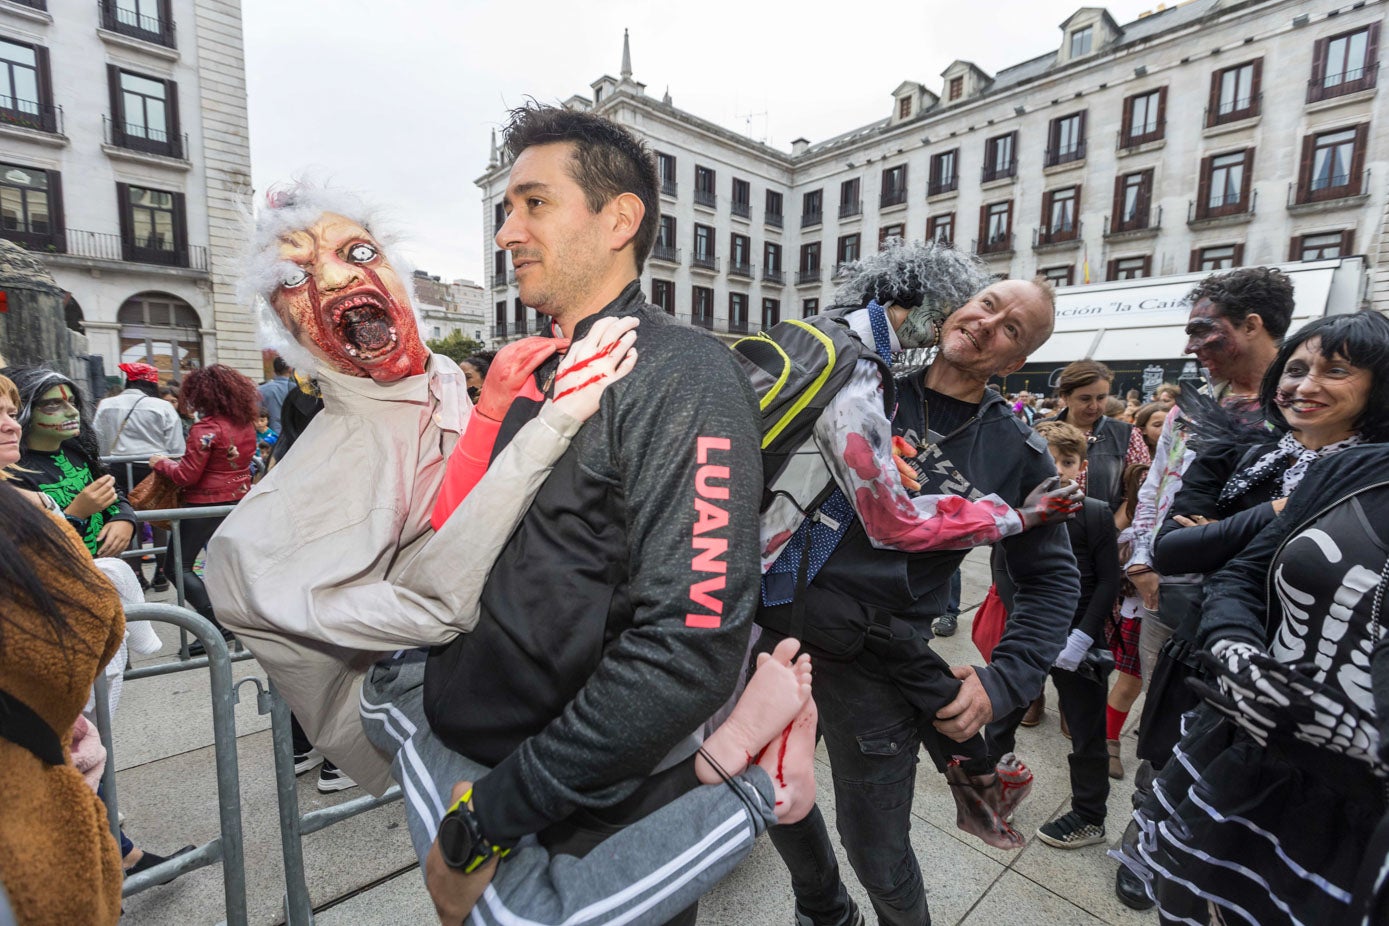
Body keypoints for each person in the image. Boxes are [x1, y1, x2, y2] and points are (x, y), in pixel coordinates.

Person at [207, 177, 819, 926]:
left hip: (524, 682)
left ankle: (742, 779)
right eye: (295, 278)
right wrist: (544, 419)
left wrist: (505, 408)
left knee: (535, 886)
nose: (336, 277)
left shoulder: (451, 386)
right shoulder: (293, 504)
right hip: (416, 692)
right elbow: (434, 601)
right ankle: (749, 785)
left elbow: (482, 516)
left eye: (358, 252)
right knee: (512, 903)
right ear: (285, 330)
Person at [762, 275, 1082, 926]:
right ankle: (824, 908)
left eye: (1010, 329)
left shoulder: (1015, 449)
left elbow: (1053, 579)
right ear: (958, 308)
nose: (989, 324)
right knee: (772, 793)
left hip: (875, 667)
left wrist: (1005, 679)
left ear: (1014, 361)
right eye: (987, 305)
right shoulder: (861, 385)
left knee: (875, 847)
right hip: (775, 635)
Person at [1118, 309, 1389, 925]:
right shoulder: (1258, 449)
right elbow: (1175, 548)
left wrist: (1220, 530)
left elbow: (1213, 550)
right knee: (1170, 769)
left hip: (1317, 720)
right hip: (1214, 653)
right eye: (1295, 370)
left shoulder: (1361, 470)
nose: (1306, 385)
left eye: (1336, 370)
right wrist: (1280, 507)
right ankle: (1149, 855)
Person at [1113, 266, 1292, 910]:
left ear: (1251, 326)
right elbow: (1162, 486)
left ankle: (1221, 844)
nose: (1190, 345)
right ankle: (1148, 835)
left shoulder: (1301, 407)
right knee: (1161, 721)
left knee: (1238, 733)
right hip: (1174, 593)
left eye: (1202, 330)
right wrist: (1143, 559)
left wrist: (1217, 530)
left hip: (1266, 613)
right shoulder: (1199, 408)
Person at [0, 444, 126, 924]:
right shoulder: (19, 506)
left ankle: (125, 845)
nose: (8, 422)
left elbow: (117, 499)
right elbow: (88, 615)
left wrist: (123, 515)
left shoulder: (61, 464)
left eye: (11, 410)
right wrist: (70, 517)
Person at [992, 421, 1120, 849]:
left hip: (1081, 641)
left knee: (1087, 732)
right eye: (1051, 460)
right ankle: (992, 788)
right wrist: (1031, 626)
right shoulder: (1019, 511)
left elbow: (1108, 580)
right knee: (1001, 715)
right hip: (1028, 632)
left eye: (1068, 462)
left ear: (1081, 467)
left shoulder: (1097, 513)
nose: (1059, 470)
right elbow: (1003, 574)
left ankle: (1090, 814)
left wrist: (1083, 636)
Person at [148, 364, 258, 648]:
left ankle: (216, 625)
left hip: (204, 504)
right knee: (220, 565)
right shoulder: (244, 423)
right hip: (237, 500)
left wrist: (160, 462)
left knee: (176, 567)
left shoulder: (206, 429)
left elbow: (186, 475)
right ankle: (227, 623)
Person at [3, 367, 137, 560]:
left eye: (72, 401)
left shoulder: (76, 450)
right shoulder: (12, 470)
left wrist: (123, 518)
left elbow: (113, 493)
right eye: (53, 405)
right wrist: (77, 513)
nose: (72, 412)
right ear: (25, 411)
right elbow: (29, 550)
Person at [94, 362, 184, 591]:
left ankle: (134, 572)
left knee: (125, 515)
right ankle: (161, 574)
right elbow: (175, 445)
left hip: (117, 467)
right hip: (153, 468)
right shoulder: (162, 407)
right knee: (159, 516)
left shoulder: (107, 404)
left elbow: (98, 440)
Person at [1053, 360, 1151, 512]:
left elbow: (1138, 493)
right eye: (1085, 399)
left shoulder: (1126, 435)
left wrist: (1111, 530)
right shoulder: (1040, 431)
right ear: (1064, 397)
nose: (1094, 406)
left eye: (1101, 398)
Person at [257, 357, 294, 433]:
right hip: (293, 436)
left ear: (274, 371)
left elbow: (256, 414)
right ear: (290, 369)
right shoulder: (297, 389)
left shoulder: (260, 390)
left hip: (267, 438)